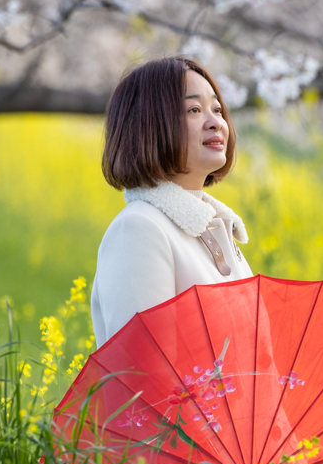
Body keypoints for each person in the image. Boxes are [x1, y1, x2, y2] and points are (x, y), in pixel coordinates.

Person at [90, 56, 253, 345]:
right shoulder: (139, 230)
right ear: (149, 125)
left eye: (217, 109)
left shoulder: (221, 231)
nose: (216, 122)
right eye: (194, 109)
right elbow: (143, 374)